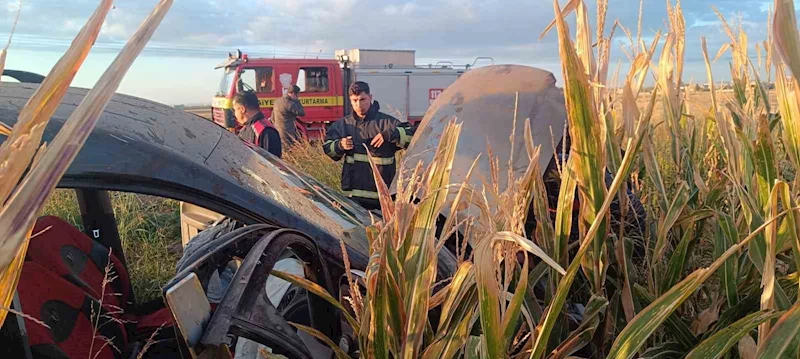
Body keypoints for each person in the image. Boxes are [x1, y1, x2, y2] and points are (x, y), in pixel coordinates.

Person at [323, 81, 414, 210]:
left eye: (362, 99)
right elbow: (328, 148)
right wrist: (339, 145)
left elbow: (412, 138)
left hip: (382, 198)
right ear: (350, 100)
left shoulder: (388, 123)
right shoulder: (342, 125)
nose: (359, 105)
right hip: (353, 197)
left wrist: (390, 134)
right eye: (354, 100)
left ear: (370, 97)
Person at [233, 90, 282, 158]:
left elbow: (271, 164)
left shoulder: (266, 132)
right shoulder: (245, 129)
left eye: (235, 110)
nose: (234, 114)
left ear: (242, 109)